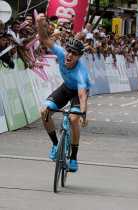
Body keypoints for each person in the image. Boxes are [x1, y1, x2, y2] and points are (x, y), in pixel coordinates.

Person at [36, 14, 91, 172]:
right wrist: (40, 24)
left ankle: (73, 157)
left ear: (79, 56)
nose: (69, 55)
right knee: (44, 111)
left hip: (78, 93)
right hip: (65, 88)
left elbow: (82, 96)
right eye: (69, 51)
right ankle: (55, 144)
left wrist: (84, 114)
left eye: (74, 53)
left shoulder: (81, 73)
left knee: (74, 119)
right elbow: (44, 39)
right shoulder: (61, 53)